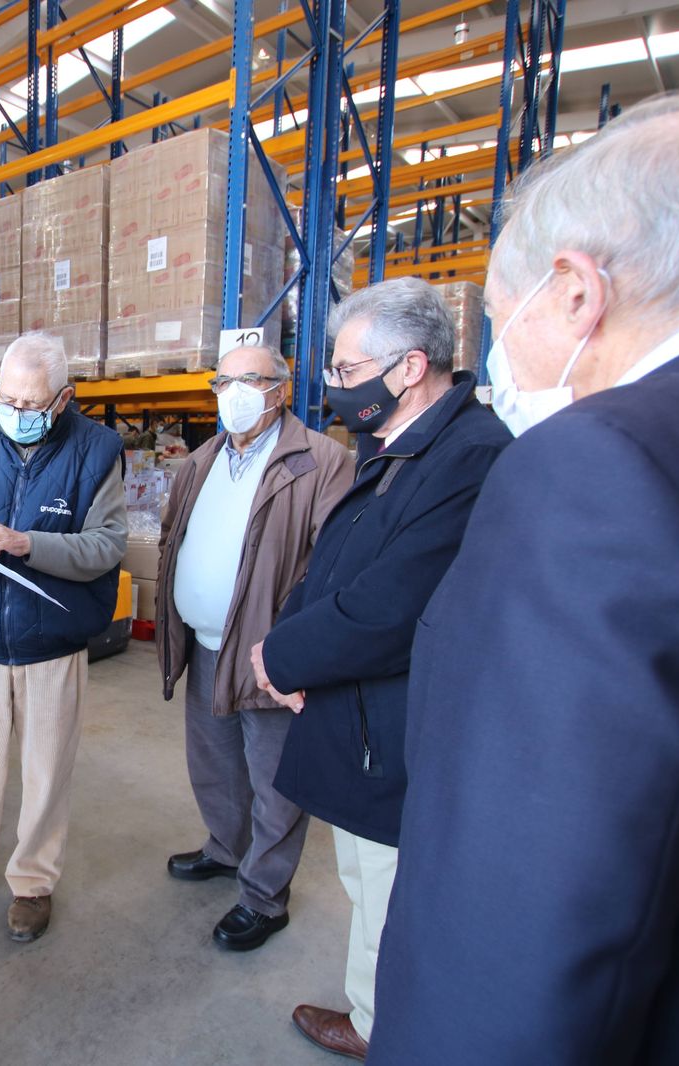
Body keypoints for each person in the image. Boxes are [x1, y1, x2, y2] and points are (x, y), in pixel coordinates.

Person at [371, 91, 679, 1065]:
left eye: (491, 317)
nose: (493, 357)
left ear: (573, 291)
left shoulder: (602, 466)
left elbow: (519, 918)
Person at [248, 278, 510, 1060]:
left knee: (398, 891)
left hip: (404, 726)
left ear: (410, 366)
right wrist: (287, 636)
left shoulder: (471, 457)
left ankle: (392, 1029)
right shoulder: (396, 445)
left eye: (346, 367)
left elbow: (392, 607)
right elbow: (334, 566)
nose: (334, 383)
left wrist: (281, 653)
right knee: (368, 881)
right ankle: (371, 1016)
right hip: (357, 712)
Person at [0, 331, 126, 942]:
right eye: (5, 399)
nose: (15, 413)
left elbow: (108, 545)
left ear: (62, 400)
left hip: (52, 646)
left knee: (45, 771)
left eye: (31, 405)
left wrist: (28, 544)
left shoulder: (97, 450)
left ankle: (33, 883)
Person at [155, 345, 351, 951]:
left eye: (250, 380)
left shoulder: (321, 461)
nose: (234, 392)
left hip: (270, 655)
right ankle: (225, 847)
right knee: (214, 766)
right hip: (205, 646)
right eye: (224, 381)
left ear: (281, 390)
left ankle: (265, 898)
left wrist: (294, 651)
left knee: (275, 782)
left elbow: (332, 568)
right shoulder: (201, 461)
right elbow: (174, 538)